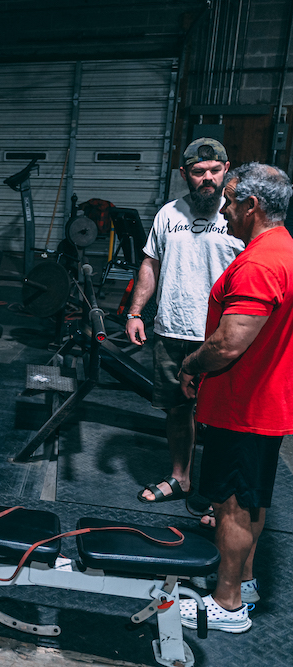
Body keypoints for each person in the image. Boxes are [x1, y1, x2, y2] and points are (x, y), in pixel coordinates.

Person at [176, 163, 293, 633]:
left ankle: (226, 605)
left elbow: (228, 344)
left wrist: (190, 364)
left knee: (231, 504)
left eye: (229, 201)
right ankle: (243, 581)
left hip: (244, 404)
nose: (223, 210)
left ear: (252, 205)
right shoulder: (283, 248)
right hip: (263, 401)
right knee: (250, 498)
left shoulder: (260, 263)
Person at [125, 138, 244, 504]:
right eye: (198, 171)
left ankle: (220, 495)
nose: (207, 178)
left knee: (224, 419)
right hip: (171, 330)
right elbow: (150, 264)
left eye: (215, 170)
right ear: (184, 174)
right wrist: (135, 312)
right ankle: (181, 478)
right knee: (177, 409)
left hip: (221, 335)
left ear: (226, 170)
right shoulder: (168, 214)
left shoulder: (239, 215)